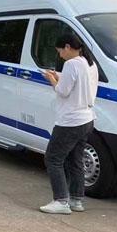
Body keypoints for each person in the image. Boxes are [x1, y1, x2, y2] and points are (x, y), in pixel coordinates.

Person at [40, 33, 99, 214]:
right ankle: (76, 200)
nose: (59, 55)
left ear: (67, 47)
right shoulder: (90, 64)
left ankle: (60, 201)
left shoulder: (71, 64)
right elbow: (77, 84)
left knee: (53, 158)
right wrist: (58, 76)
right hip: (87, 119)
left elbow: (63, 91)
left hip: (70, 121)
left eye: (59, 51)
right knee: (75, 160)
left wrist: (51, 79)